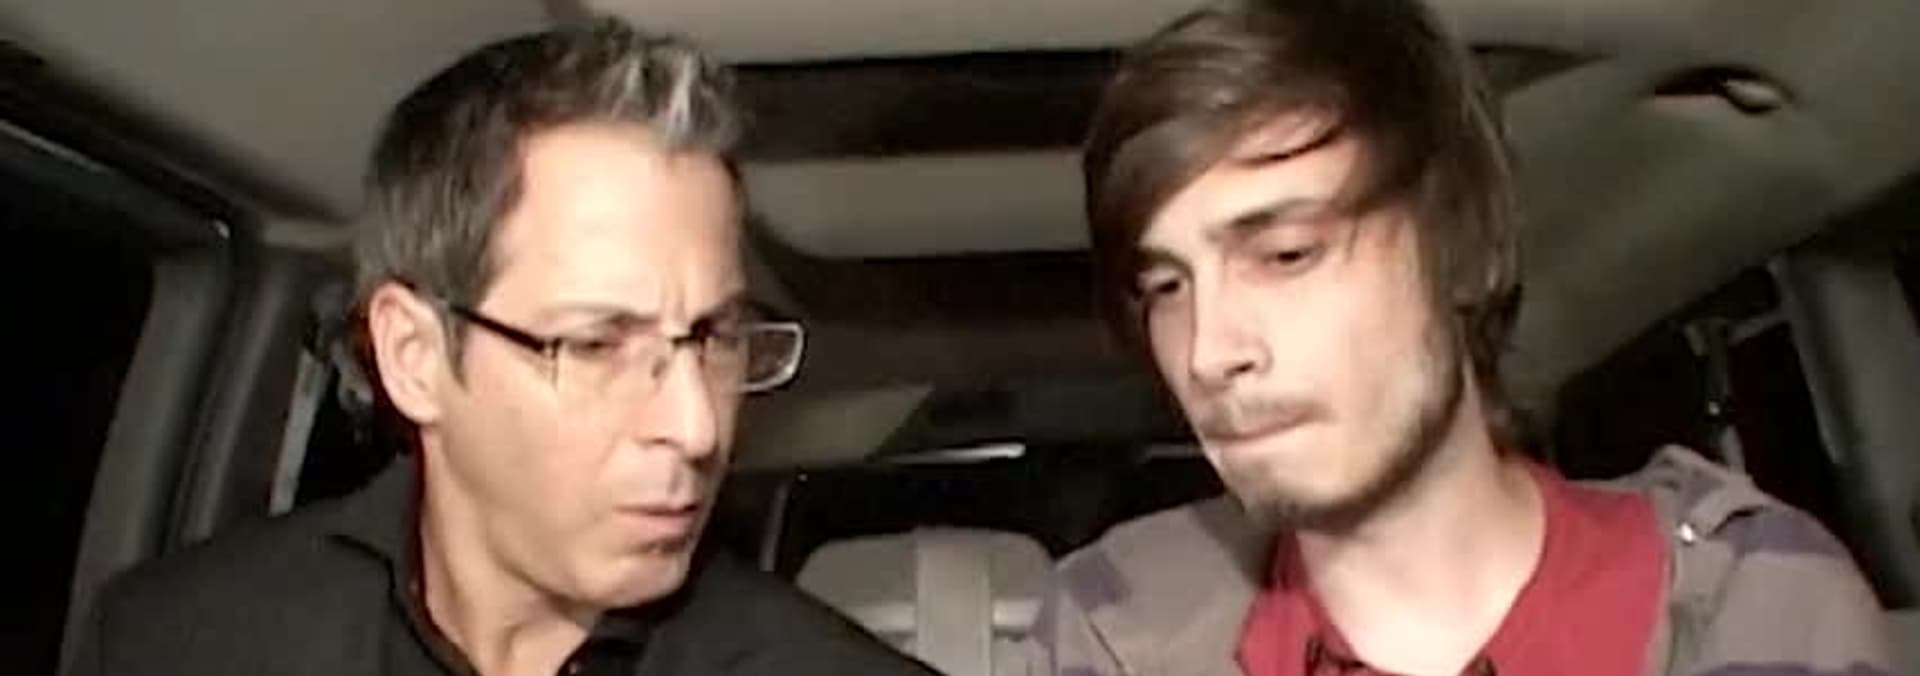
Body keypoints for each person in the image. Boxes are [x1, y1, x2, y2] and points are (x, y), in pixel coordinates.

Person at [1030, 1, 1896, 674]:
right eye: (1167, 287)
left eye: (1287, 254)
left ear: (1460, 251)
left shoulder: (1750, 597)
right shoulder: (1119, 627)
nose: (1208, 352)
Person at [72, 19, 932, 676]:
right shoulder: (179, 642)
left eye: (712, 336)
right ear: (413, 356)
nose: (697, 426)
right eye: (597, 344)